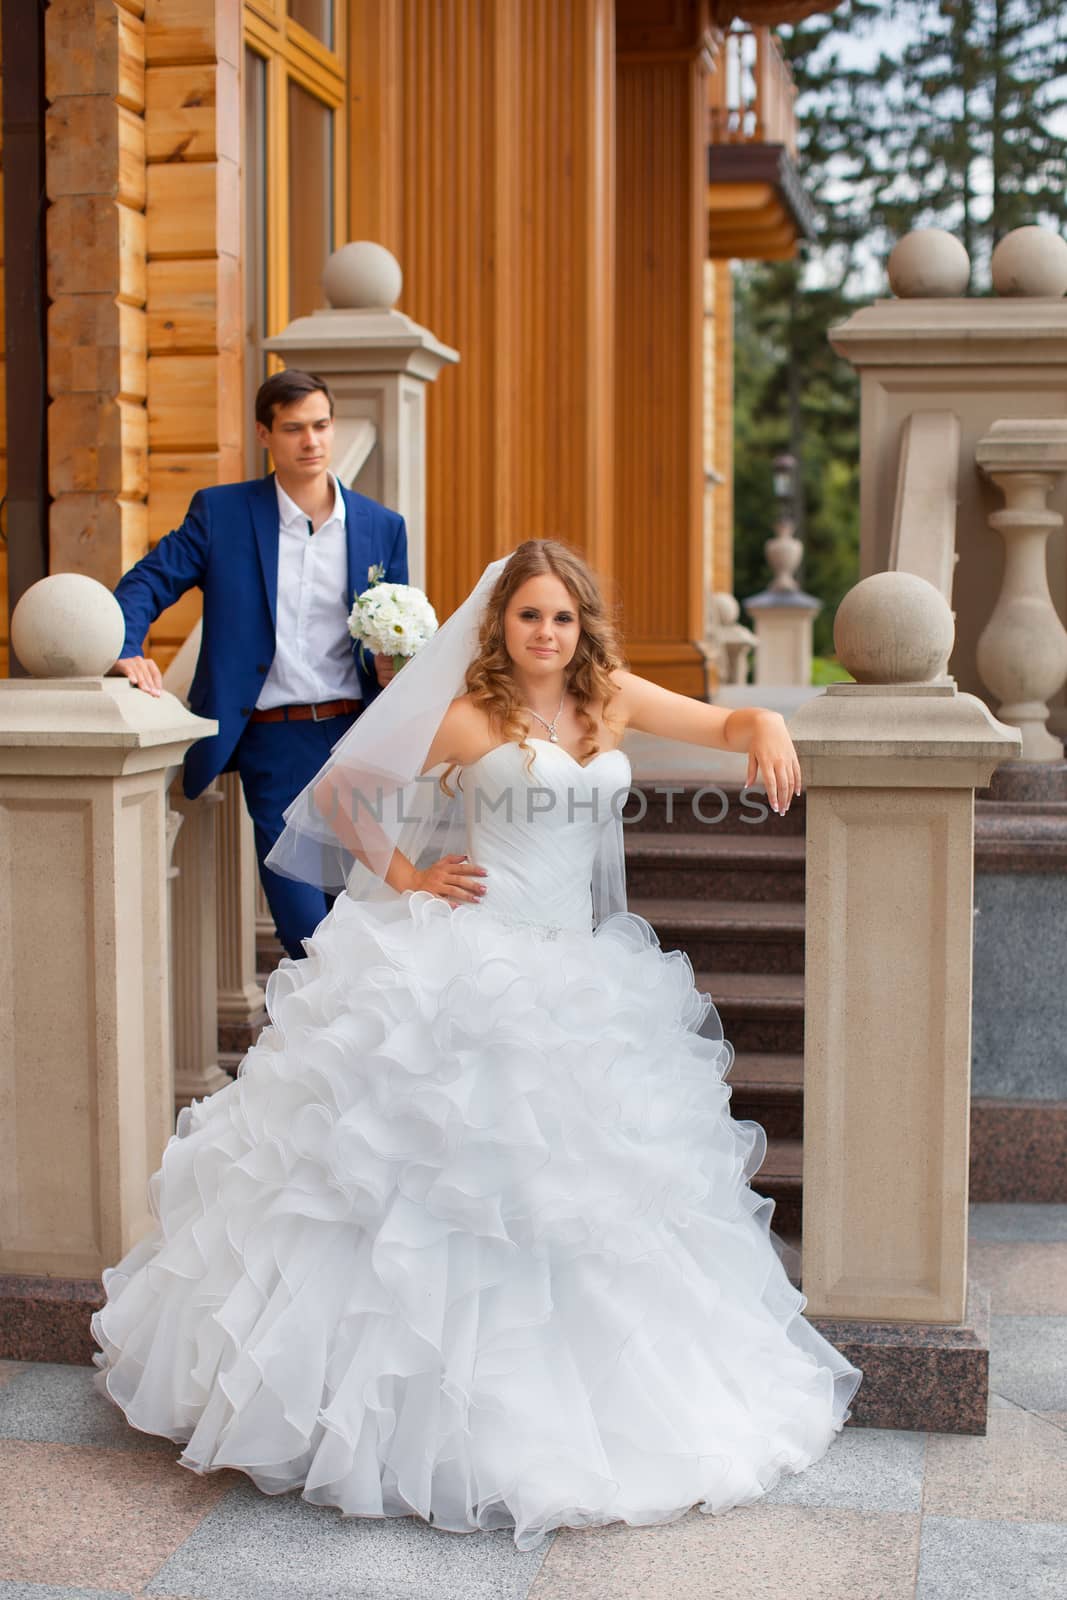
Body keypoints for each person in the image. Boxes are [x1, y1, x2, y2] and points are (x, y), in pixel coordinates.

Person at [92, 539, 862, 1552]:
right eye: (528, 615)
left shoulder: (612, 700)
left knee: (581, 1197)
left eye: (562, 617)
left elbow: (722, 721)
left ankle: (593, 1414)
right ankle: (411, 1423)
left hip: (581, 973)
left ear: (584, 626)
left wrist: (763, 719)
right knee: (441, 1186)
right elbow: (340, 793)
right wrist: (408, 877)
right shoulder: (470, 713)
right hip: (471, 964)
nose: (545, 634)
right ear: (498, 623)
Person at [110, 369, 408, 958]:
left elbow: (398, 625)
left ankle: (346, 1044)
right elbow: (148, 582)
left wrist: (392, 665)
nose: (312, 441)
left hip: (356, 738)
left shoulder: (381, 526)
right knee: (305, 926)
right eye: (294, 428)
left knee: (362, 909)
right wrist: (124, 650)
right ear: (264, 434)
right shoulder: (222, 514)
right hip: (272, 742)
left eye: (321, 425)